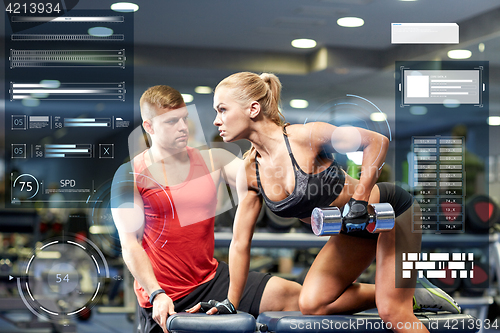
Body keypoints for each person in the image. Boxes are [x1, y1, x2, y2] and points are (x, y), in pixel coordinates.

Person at [209, 72, 461, 333]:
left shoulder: (306, 137)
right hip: (354, 233)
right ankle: (415, 295)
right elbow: (240, 243)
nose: (217, 120)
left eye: (223, 110)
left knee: (393, 313)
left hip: (389, 212)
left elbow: (376, 142)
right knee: (312, 304)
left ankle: (400, 299)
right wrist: (232, 302)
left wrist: (360, 201)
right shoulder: (251, 172)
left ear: (253, 108)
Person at [110, 85, 302, 333]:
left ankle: (370, 291)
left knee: (296, 296)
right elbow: (130, 245)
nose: (182, 127)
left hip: (212, 280)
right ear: (149, 127)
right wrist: (156, 293)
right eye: (171, 122)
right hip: (164, 295)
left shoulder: (212, 160)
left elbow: (256, 176)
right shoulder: (130, 174)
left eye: (184, 119)